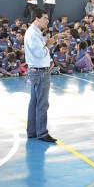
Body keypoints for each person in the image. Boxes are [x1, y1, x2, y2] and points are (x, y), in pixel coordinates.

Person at [24, 8, 57, 142]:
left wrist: (47, 42)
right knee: (42, 104)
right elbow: (39, 52)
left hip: (37, 71)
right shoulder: (32, 34)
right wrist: (49, 44)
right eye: (45, 18)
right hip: (39, 72)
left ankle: (32, 131)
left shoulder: (36, 33)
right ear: (36, 19)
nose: (47, 21)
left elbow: (39, 48)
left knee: (34, 102)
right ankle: (42, 133)